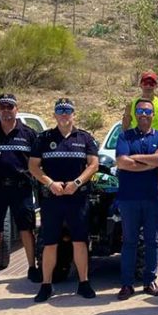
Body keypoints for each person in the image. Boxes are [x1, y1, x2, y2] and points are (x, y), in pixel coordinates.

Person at [29, 98, 99, 302]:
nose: (64, 114)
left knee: (80, 241)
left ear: (73, 114)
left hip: (78, 198)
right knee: (50, 243)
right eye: (60, 111)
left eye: (68, 111)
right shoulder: (44, 138)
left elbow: (93, 165)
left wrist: (76, 183)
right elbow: (33, 167)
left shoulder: (84, 138)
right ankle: (46, 285)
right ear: (54, 115)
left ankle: (84, 283)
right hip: (52, 199)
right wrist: (50, 183)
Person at [0, 94, 40, 286]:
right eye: (2, 107)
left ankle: (32, 267)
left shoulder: (28, 133)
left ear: (16, 109)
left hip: (21, 188)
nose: (6, 111)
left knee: (26, 230)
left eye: (9, 107)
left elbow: (36, 161)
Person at [115, 99, 158, 300]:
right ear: (135, 114)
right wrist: (150, 162)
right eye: (140, 110)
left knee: (153, 242)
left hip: (153, 197)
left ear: (154, 115)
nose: (144, 114)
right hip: (129, 198)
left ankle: (150, 281)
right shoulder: (124, 136)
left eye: (148, 111)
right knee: (129, 241)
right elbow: (122, 162)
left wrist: (136, 158)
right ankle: (127, 284)